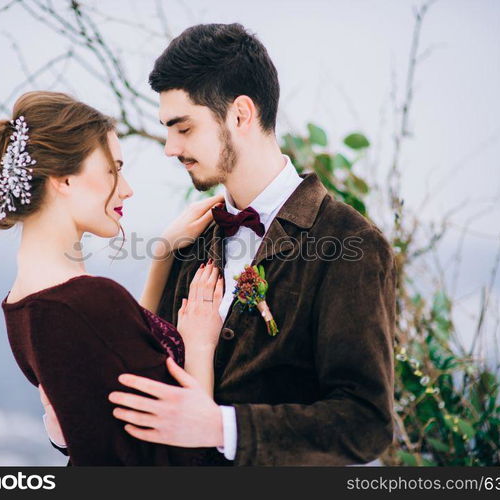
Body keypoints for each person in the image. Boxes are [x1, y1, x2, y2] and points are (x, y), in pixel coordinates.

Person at [98, 23, 397, 466]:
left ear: (240, 114)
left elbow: (365, 422)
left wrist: (222, 427)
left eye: (183, 128)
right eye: (168, 130)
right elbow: (152, 387)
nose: (169, 148)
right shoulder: (192, 237)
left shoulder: (349, 242)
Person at [0, 90, 227, 465]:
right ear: (63, 179)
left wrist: (162, 255)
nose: (126, 188)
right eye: (113, 169)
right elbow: (185, 453)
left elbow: (118, 355)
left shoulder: (21, 305)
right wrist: (200, 347)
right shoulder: (87, 301)